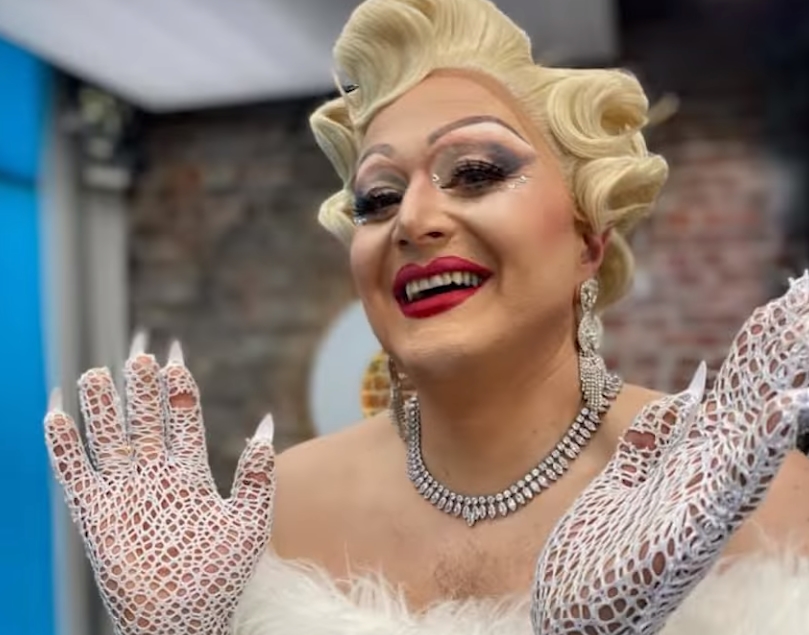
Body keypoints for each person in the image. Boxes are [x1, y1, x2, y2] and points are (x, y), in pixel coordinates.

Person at [44, 0, 809, 633]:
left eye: (475, 172)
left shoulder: (761, 502)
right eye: (376, 198)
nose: (411, 220)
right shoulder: (274, 508)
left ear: (587, 239)